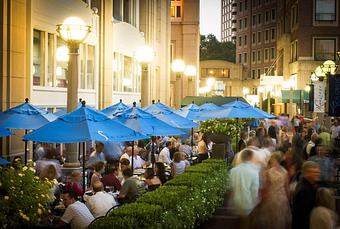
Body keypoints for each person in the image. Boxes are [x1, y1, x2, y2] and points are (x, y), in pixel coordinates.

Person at [255, 152, 291, 229]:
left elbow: (266, 187)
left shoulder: (269, 172)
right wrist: (288, 199)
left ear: (274, 160)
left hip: (271, 198)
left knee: (271, 219)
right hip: (282, 198)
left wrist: (262, 199)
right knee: (280, 218)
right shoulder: (285, 172)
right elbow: (286, 188)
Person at [230, 149, 260, 217]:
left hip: (236, 202)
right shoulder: (254, 171)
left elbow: (231, 187)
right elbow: (254, 190)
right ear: (250, 158)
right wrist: (255, 202)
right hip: (248, 202)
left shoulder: (233, 170)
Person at [292, 161, 320, 229]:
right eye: (314, 172)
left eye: (318, 172)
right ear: (307, 173)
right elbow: (303, 215)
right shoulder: (304, 190)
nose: (318, 174)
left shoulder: (306, 184)